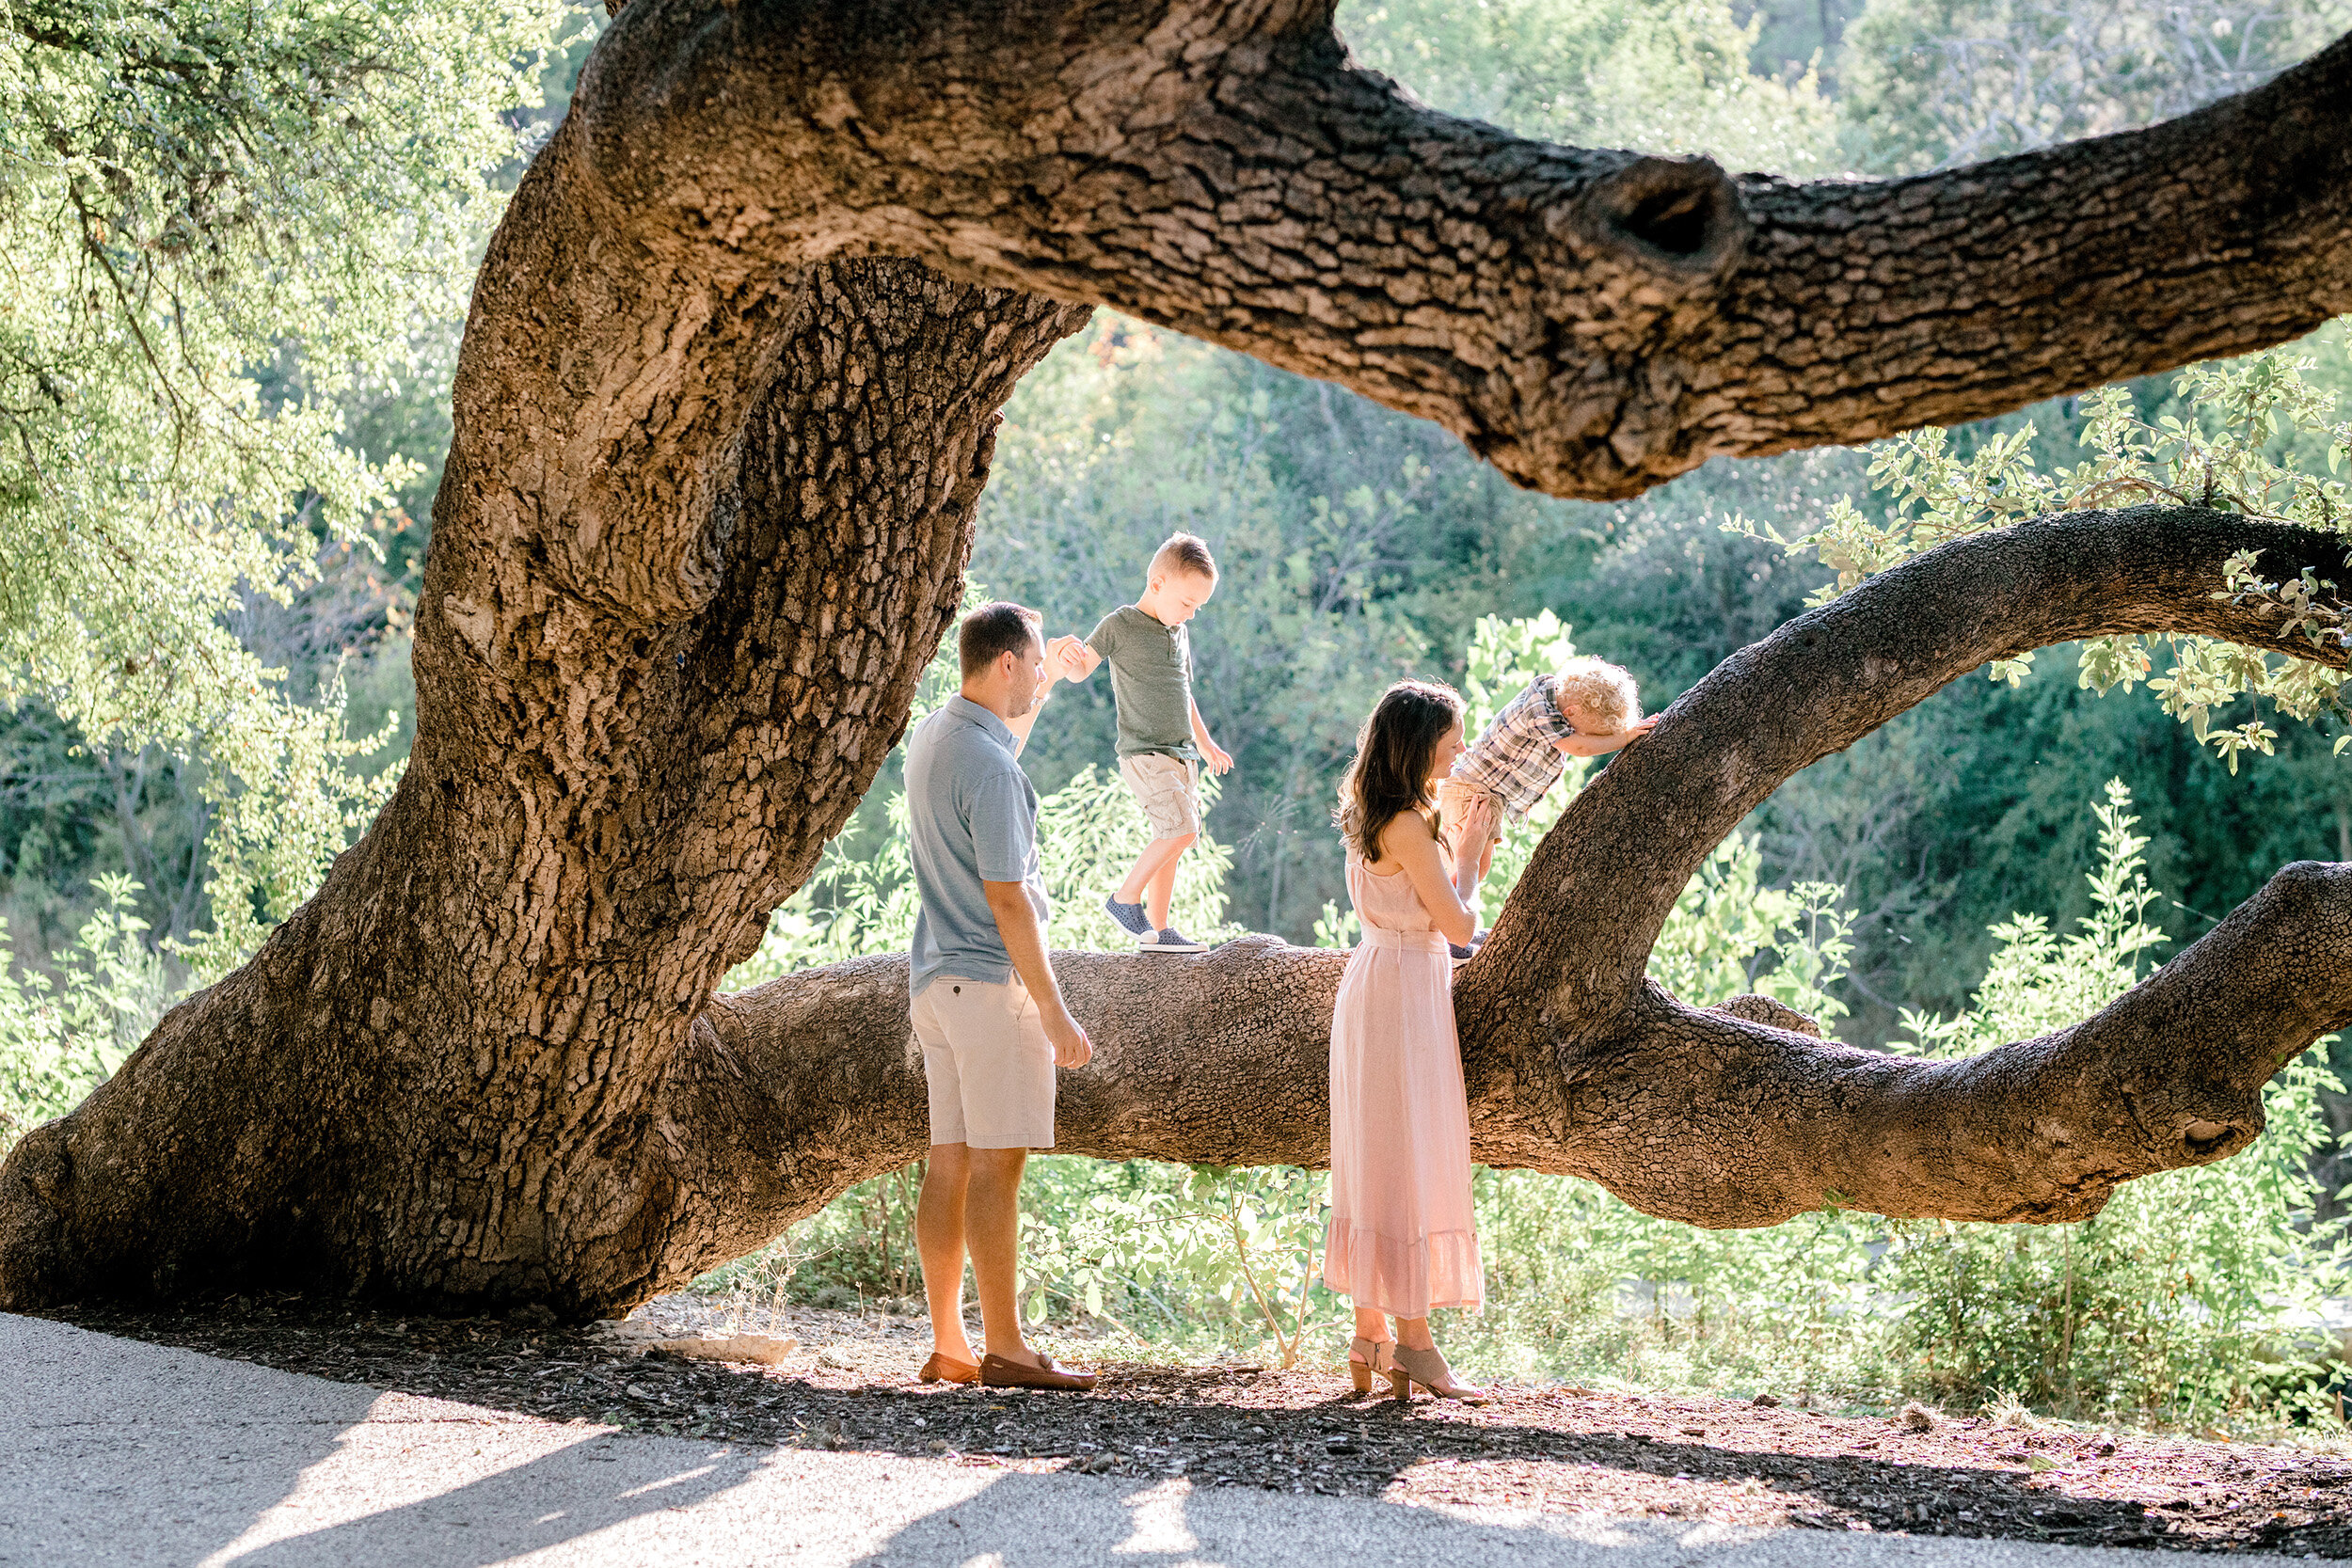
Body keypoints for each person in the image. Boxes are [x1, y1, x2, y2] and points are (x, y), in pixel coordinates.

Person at [903, 602, 1099, 1392]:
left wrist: (1050, 689)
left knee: (948, 1162)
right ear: (1006, 663)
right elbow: (1010, 897)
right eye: (1036, 667)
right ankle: (1010, 1346)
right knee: (998, 1165)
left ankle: (950, 1342)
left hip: (935, 983)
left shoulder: (938, 735)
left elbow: (1000, 745)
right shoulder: (991, 767)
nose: (1042, 677)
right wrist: (1051, 1005)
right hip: (991, 983)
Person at [1324, 680, 1497, 1402]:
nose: (1461, 748)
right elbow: (1457, 926)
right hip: (1403, 992)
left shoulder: (1375, 811)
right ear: (1419, 742)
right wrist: (1474, 850)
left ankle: (1371, 1333)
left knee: (1376, 1159)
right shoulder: (1406, 824)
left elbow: (1438, 908)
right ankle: (1416, 1344)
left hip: (1378, 980)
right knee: (1407, 1161)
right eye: (1452, 737)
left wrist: (1461, 846)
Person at [1060, 532, 1232, 954]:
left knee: (1171, 843)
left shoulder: (1178, 633)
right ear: (1157, 584)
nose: (1190, 614)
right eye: (1187, 603)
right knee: (1182, 830)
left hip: (1182, 755)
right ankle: (1123, 899)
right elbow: (1082, 669)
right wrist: (1067, 659)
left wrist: (1206, 744)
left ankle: (1158, 930)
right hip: (1145, 753)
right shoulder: (1120, 624)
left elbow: (1183, 691)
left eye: (1197, 607)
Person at [1437, 656, 1655, 958]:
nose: (1587, 737)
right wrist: (1625, 737)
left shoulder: (1558, 703)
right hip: (1472, 791)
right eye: (1588, 729)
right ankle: (1446, 927)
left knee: (1477, 865)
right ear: (1572, 712)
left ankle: (1445, 923)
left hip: (1487, 795)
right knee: (1471, 862)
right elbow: (1577, 746)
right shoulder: (1540, 708)